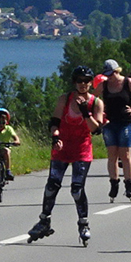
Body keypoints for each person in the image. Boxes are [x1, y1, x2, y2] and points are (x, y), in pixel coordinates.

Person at [28, 66, 105, 244]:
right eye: (79, 81)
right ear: (74, 82)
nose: (83, 84)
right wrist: (55, 137)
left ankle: (83, 223)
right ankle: (44, 221)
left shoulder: (96, 103)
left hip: (82, 150)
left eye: (86, 81)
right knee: (52, 186)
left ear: (90, 83)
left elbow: (96, 129)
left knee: (77, 189)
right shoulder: (65, 99)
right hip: (62, 148)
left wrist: (85, 111)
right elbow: (54, 122)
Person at [100, 59, 131, 200]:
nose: (110, 77)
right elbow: (94, 97)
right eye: (107, 75)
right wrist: (99, 111)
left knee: (125, 155)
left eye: (112, 74)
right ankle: (114, 183)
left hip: (124, 122)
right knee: (112, 155)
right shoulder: (104, 85)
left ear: (117, 71)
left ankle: (129, 184)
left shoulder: (128, 83)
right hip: (109, 123)